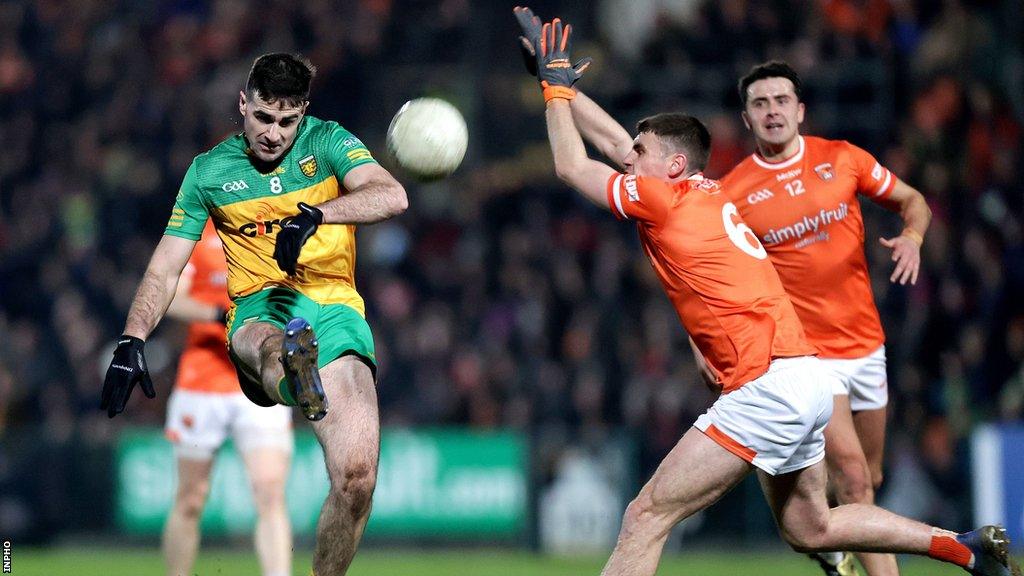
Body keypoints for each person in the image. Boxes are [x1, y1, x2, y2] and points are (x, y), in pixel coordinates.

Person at [513, 8, 1020, 576]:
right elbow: (610, 142)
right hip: (805, 375)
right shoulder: (705, 191)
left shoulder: (661, 200)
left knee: (644, 515)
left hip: (767, 384)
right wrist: (553, 81)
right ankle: (962, 546)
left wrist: (556, 90)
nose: (629, 156)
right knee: (812, 527)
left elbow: (570, 165)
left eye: (641, 151)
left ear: (674, 165)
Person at [100, 52, 408, 576]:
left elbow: (392, 195)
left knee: (357, 480)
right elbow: (164, 268)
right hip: (259, 305)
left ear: (303, 113)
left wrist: (318, 215)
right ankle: (294, 373)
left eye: (287, 122)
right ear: (243, 104)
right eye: (264, 117)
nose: (273, 133)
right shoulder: (209, 172)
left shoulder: (328, 141)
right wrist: (132, 339)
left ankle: (298, 374)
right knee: (272, 342)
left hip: (336, 307)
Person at [715, 59, 934, 576]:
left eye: (781, 100)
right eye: (760, 103)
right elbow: (711, 279)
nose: (772, 112)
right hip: (807, 355)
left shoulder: (842, 159)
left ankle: (832, 548)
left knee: (869, 477)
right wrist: (708, 347)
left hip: (866, 342)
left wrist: (913, 237)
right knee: (855, 476)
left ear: (800, 110)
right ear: (747, 119)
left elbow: (913, 200)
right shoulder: (734, 193)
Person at [162, 221, 294, 576]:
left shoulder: (278, 223)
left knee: (269, 492)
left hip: (260, 378)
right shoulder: (196, 228)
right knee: (190, 498)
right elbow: (171, 294)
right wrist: (220, 315)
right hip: (202, 379)